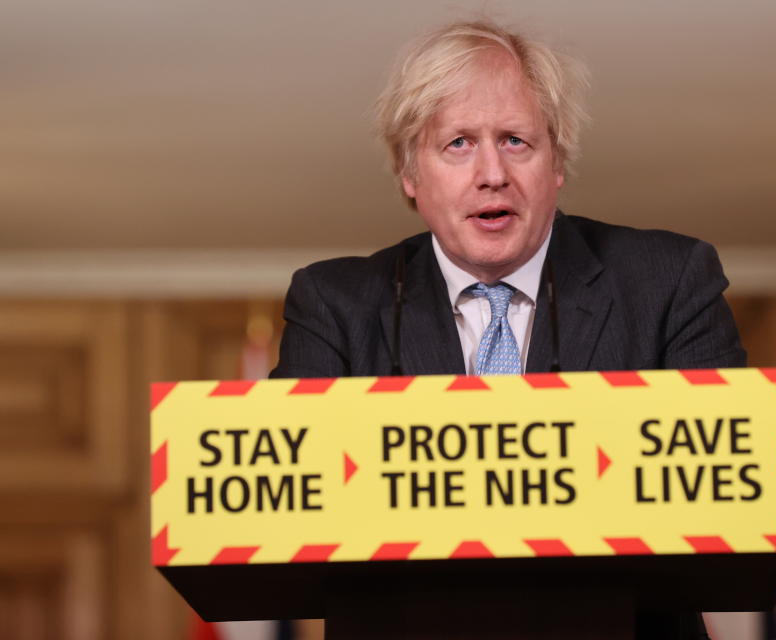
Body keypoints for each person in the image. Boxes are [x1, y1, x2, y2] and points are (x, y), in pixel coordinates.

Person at [271, 20, 742, 639]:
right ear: (411, 176)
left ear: (557, 164)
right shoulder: (334, 303)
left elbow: (725, 498)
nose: (492, 172)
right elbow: (286, 516)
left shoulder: (669, 279)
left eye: (516, 141)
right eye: (459, 143)